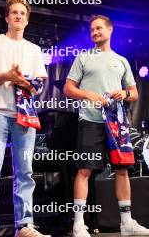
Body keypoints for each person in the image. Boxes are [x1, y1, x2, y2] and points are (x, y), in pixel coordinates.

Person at [63, 15, 149, 237]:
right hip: (90, 120)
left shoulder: (121, 61)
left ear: (110, 30)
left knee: (122, 170)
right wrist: (88, 94)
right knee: (84, 170)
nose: (95, 33)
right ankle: (79, 224)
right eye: (92, 30)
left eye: (99, 28)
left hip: (116, 124)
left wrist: (125, 93)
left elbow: (135, 93)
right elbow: (68, 88)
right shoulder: (83, 58)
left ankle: (127, 223)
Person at [0, 0, 51, 237]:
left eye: (23, 14)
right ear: (7, 17)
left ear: (27, 20)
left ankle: (25, 225)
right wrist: (8, 76)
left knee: (25, 172)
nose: (19, 16)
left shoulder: (34, 49)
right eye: (14, 12)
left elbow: (39, 84)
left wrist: (25, 82)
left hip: (25, 115)